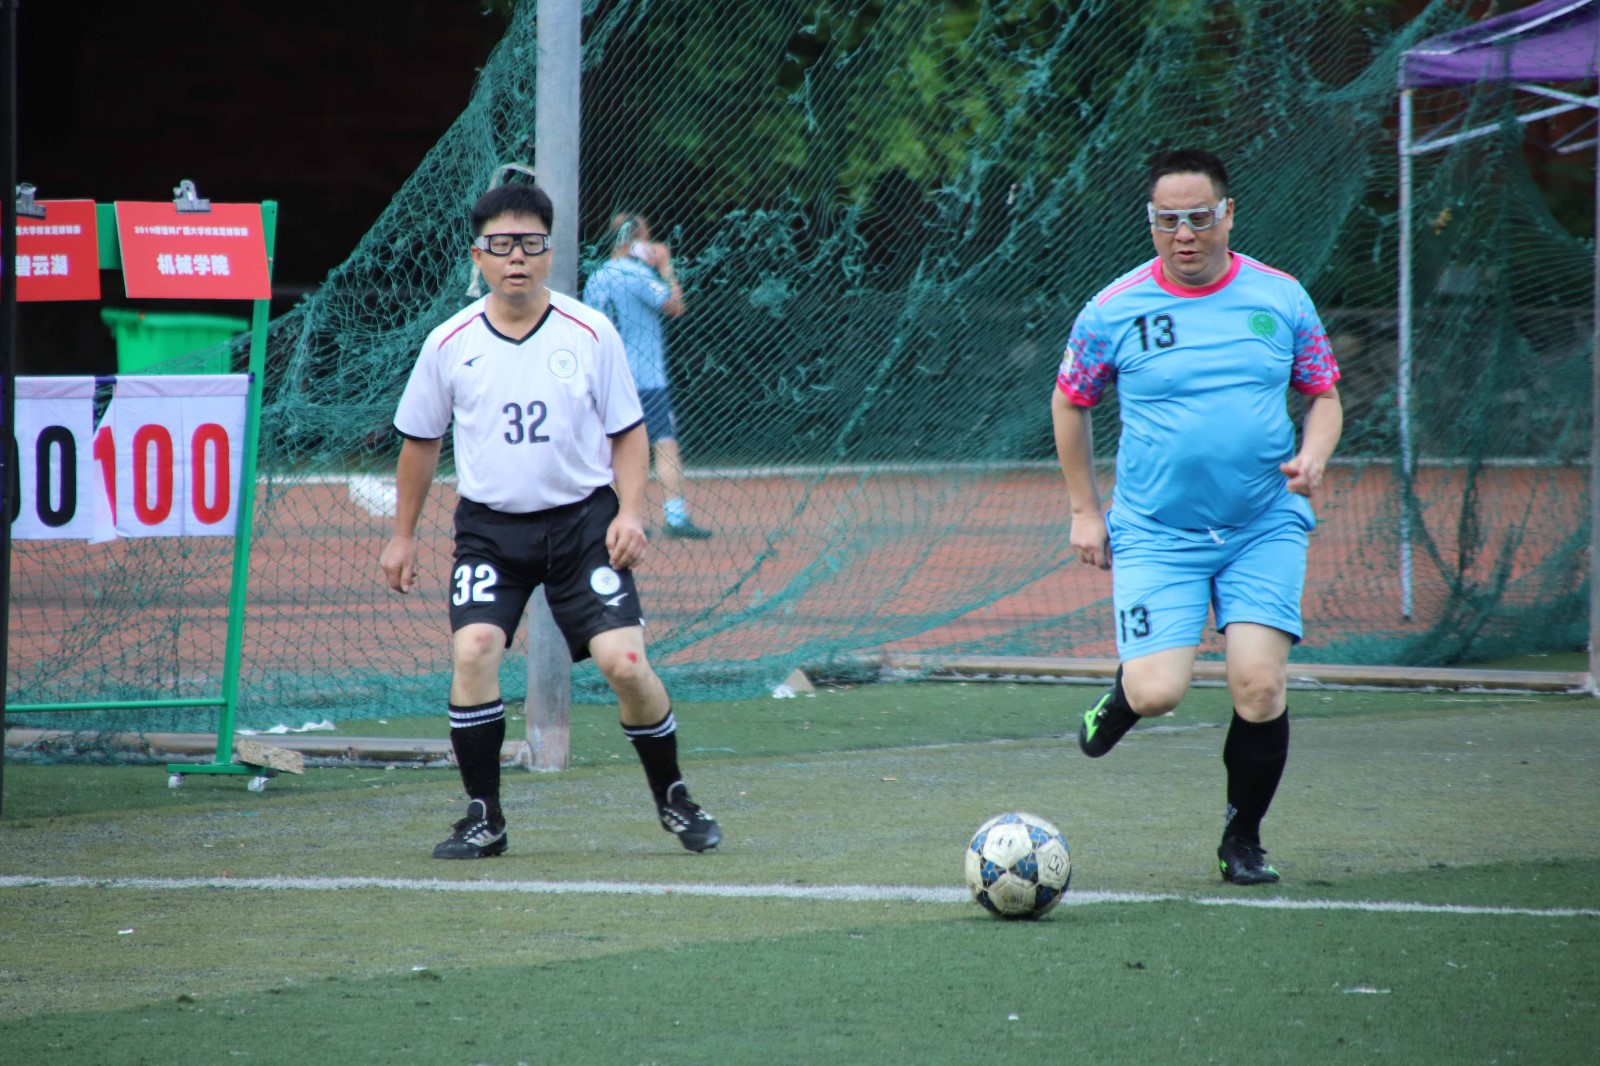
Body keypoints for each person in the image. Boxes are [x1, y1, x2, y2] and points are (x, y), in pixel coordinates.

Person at [380, 182, 721, 859]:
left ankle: (675, 797)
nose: (517, 257)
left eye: (531, 243)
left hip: (583, 525)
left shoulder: (589, 331)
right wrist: (402, 535)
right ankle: (484, 817)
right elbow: (419, 443)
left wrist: (632, 512)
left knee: (625, 663)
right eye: (502, 244)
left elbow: (628, 432)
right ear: (478, 255)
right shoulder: (448, 342)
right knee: (474, 650)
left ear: (550, 251)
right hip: (491, 530)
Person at [1051, 149, 1342, 886]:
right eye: (1168, 220)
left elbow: (1323, 395)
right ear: (1151, 221)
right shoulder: (1112, 309)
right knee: (1158, 692)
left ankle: (1242, 839)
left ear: (1228, 214)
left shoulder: (1281, 297)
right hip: (1157, 532)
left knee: (1259, 686)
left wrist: (1313, 456)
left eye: (1200, 217)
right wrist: (1085, 510)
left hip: (1263, 524)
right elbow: (1070, 401)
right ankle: (1123, 699)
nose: (1184, 234)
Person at [582, 212, 712, 539]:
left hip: (607, 378)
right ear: (636, 240)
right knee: (664, 443)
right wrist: (665, 265)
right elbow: (676, 305)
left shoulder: (596, 277)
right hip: (645, 378)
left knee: (611, 448)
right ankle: (676, 517)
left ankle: (614, 516)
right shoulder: (638, 274)